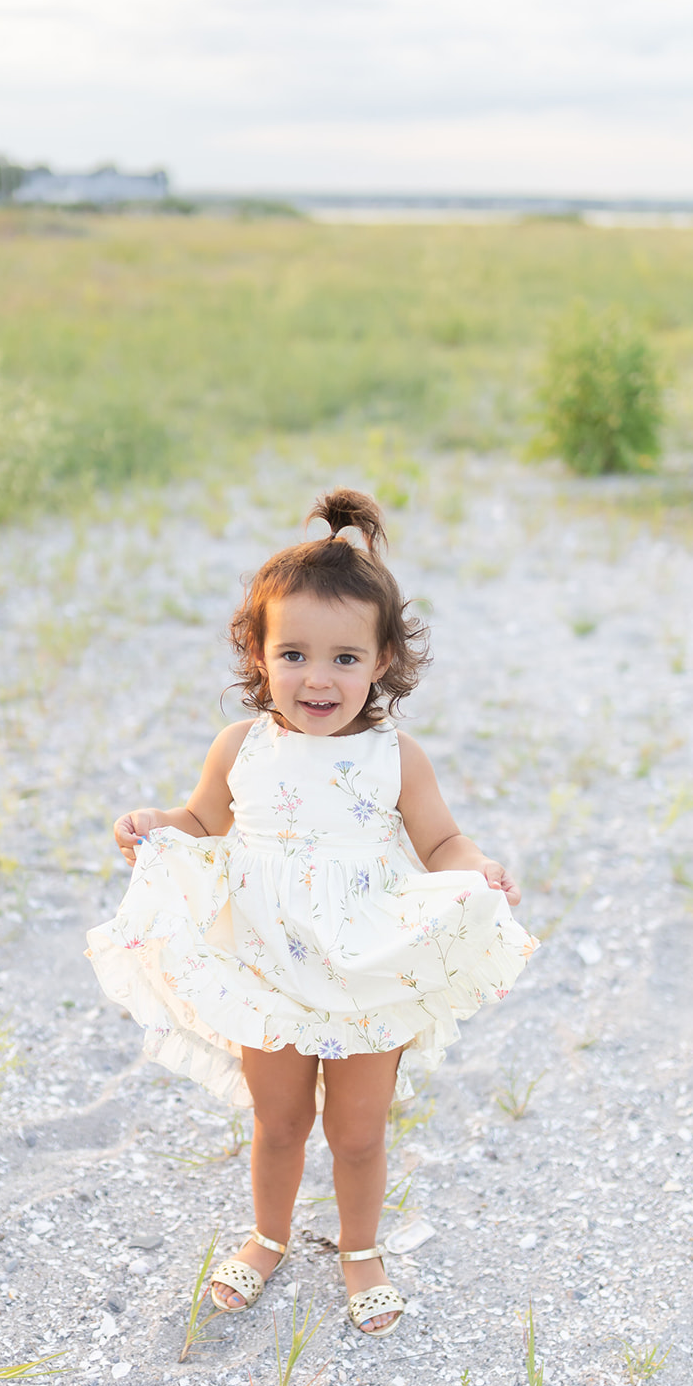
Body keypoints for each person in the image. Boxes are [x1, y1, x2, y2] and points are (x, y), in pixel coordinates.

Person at [86, 488, 536, 1336]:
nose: (316, 678)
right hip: (267, 963)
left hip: (367, 967)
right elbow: (202, 824)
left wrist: (479, 869)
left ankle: (360, 1248)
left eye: (342, 658)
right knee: (279, 1119)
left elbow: (442, 843)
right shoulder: (241, 747)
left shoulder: (394, 757)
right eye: (292, 654)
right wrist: (157, 825)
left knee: (356, 1131)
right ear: (256, 655)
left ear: (382, 662)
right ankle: (267, 1237)